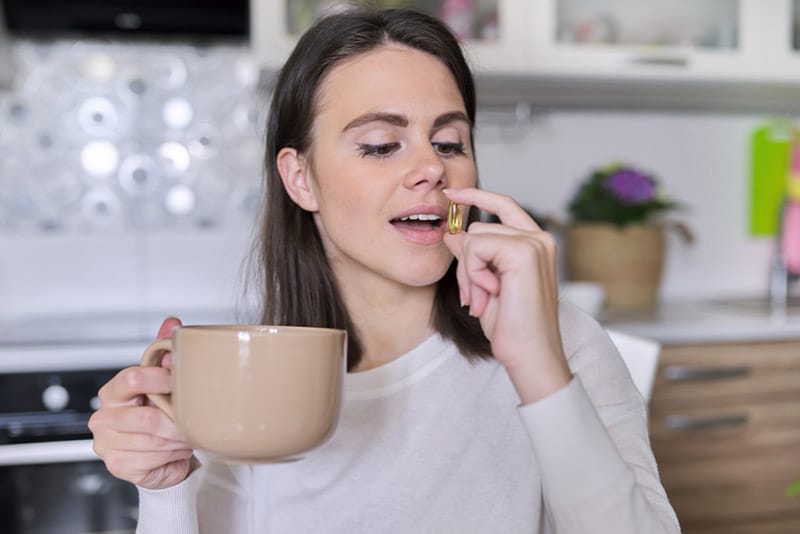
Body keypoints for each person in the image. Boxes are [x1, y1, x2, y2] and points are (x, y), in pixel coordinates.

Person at [88, 7, 680, 533]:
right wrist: (165, 489)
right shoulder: (250, 381)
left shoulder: (559, 339)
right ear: (300, 178)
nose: (431, 168)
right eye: (379, 145)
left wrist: (538, 368)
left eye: (449, 143)